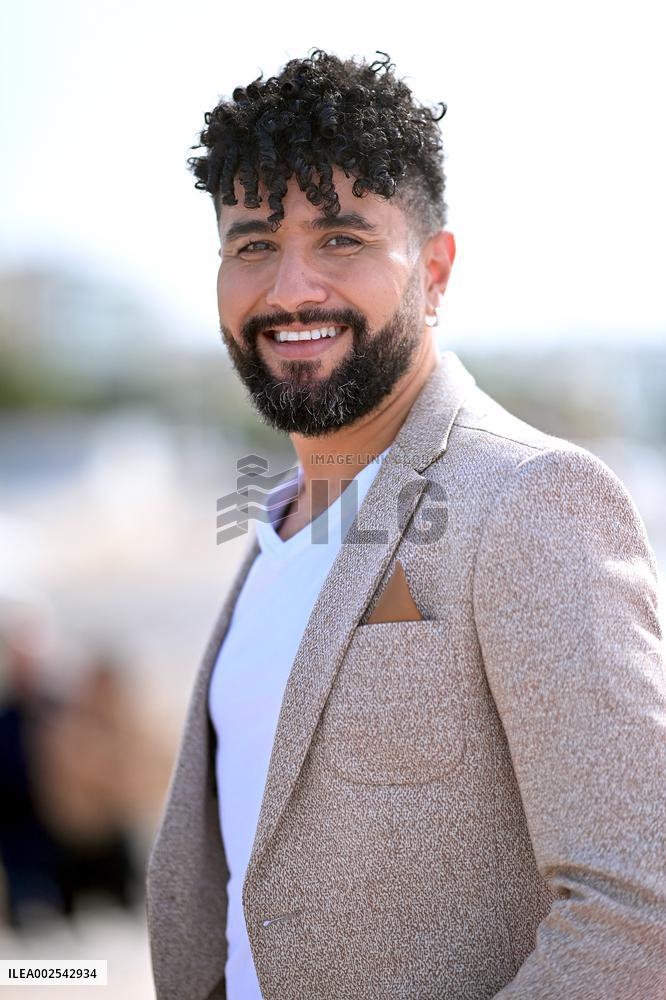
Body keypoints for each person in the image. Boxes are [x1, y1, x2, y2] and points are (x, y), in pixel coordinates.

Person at [146, 49, 666, 1000]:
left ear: (434, 270)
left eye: (341, 238)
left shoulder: (534, 500)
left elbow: (639, 913)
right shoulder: (271, 532)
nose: (291, 289)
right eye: (253, 244)